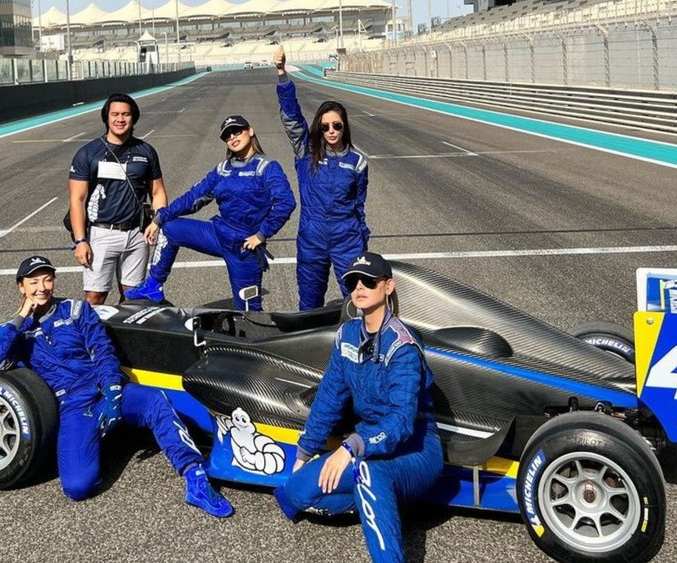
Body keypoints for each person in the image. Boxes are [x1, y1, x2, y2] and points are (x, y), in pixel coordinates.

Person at [0, 255, 233, 517]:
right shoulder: (18, 330)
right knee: (78, 487)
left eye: (48, 279)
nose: (42, 287)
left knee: (154, 400)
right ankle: (104, 437)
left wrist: (113, 392)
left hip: (105, 390)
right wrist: (21, 316)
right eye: (34, 282)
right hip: (73, 406)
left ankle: (195, 478)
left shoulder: (75, 309)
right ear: (21, 287)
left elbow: (102, 351)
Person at [273, 252, 443, 563]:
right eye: (353, 281)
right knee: (293, 493)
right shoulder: (348, 335)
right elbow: (329, 397)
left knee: (367, 470)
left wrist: (351, 447)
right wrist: (304, 452)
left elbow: (402, 422)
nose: (359, 287)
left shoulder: (402, 346)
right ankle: (384, 500)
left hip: (416, 447)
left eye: (369, 281)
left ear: (388, 286)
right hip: (367, 442)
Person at [125, 115, 295, 311]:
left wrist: (262, 234)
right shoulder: (222, 169)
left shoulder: (266, 167)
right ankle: (153, 285)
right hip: (217, 234)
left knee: (249, 311)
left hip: (244, 247)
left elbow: (286, 202)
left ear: (250, 131)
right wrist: (159, 217)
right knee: (170, 227)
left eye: (237, 131)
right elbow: (194, 197)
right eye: (227, 135)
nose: (232, 137)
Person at [273, 45, 370, 311]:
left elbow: (358, 205)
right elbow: (292, 118)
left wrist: (362, 244)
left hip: (347, 239)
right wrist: (282, 74)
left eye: (337, 125)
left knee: (357, 305)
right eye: (325, 125)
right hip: (311, 239)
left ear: (344, 126)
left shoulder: (358, 162)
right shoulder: (307, 151)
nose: (331, 130)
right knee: (309, 305)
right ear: (319, 126)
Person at [69, 93, 167, 306]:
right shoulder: (88, 153)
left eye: (126, 114)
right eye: (115, 114)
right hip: (101, 234)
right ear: (106, 117)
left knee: (132, 297)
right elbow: (77, 199)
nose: (120, 119)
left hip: (136, 235)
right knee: (95, 297)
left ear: (133, 118)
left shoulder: (146, 151)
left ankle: (123, 339)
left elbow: (158, 192)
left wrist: (157, 222)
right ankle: (94, 339)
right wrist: (80, 241)